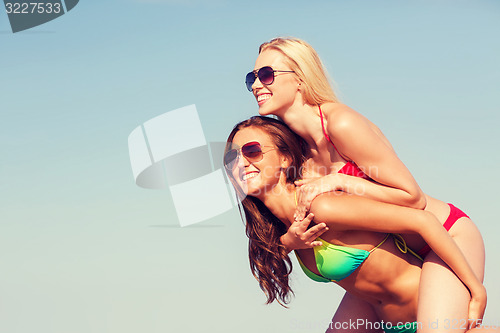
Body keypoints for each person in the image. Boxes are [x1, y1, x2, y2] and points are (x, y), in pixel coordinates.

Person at [244, 37, 486, 332]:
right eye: (252, 77)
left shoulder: (340, 124)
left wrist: (339, 180)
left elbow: (413, 198)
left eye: (266, 74)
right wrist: (289, 242)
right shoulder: (297, 153)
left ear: (300, 78)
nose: (257, 85)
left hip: (445, 235)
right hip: (398, 252)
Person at [224, 116, 491, 333]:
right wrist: (288, 243)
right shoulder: (283, 228)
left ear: (285, 158)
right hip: (388, 324)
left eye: (252, 151)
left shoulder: (322, 206)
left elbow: (423, 220)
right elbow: (268, 257)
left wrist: (475, 290)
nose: (242, 163)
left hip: (435, 317)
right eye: (232, 159)